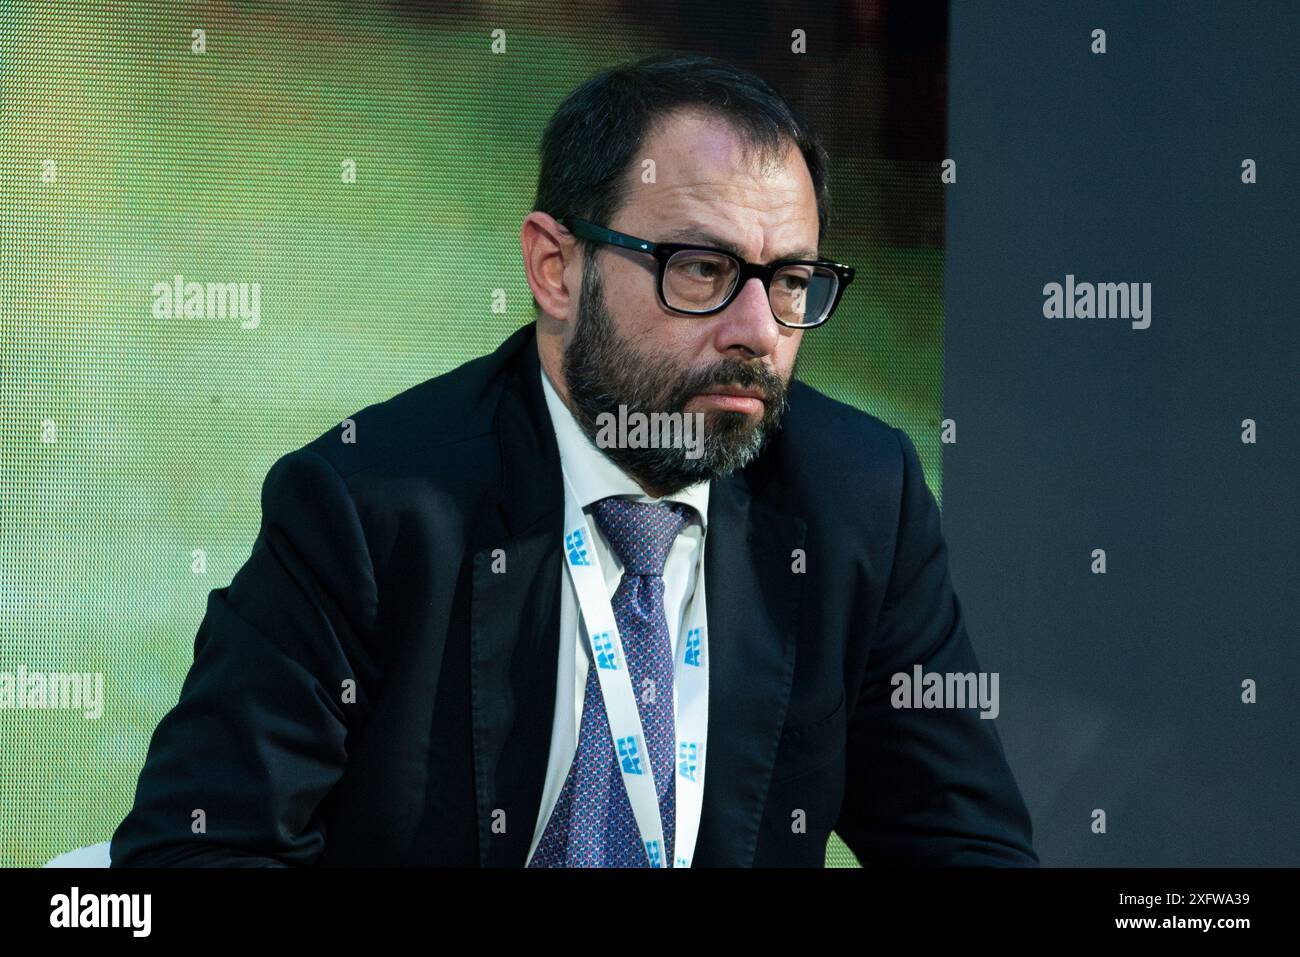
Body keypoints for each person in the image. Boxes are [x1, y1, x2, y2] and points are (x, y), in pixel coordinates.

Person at [110, 52, 1037, 867]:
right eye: (702, 269)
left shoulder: (860, 500)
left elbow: (966, 845)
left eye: (791, 280)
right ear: (556, 269)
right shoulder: (365, 508)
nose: (758, 330)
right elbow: (201, 846)